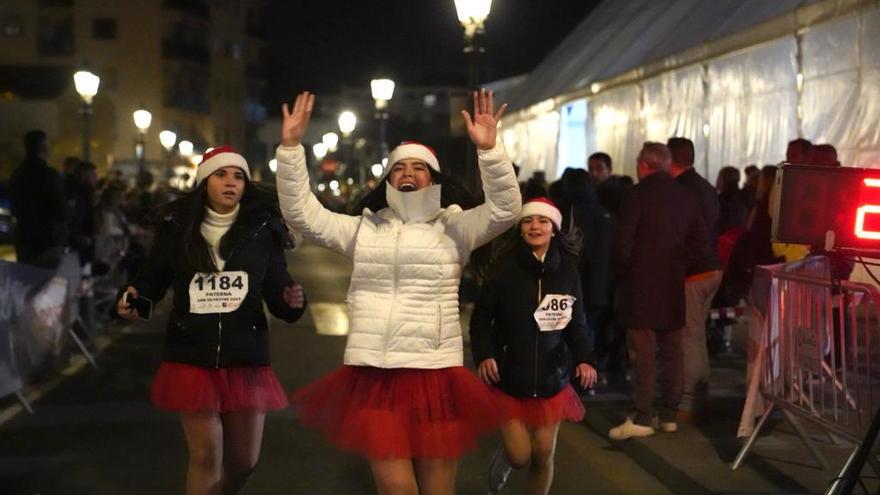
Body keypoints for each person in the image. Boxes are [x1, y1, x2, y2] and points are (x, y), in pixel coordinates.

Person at [275, 90, 521, 494]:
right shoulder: (363, 229)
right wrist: (289, 149)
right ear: (388, 179)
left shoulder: (456, 227)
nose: (408, 173)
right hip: (377, 375)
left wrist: (491, 151)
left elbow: (506, 210)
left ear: (433, 178)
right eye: (399, 167)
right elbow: (302, 213)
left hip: (436, 374)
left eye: (419, 168)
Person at [117, 145, 307, 495]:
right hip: (191, 355)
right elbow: (153, 279)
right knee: (206, 455)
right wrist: (135, 301)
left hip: (246, 355)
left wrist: (291, 300)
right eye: (221, 175)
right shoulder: (179, 228)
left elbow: (279, 287)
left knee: (244, 462)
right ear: (204, 181)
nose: (230, 183)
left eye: (238, 176)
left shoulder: (263, 230)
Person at [470, 197, 597, 494]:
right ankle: (504, 459)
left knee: (542, 453)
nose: (535, 226)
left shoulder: (568, 271)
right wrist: (485, 355)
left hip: (552, 380)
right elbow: (481, 319)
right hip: (508, 379)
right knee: (520, 456)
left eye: (542, 221)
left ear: (554, 229)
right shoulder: (503, 269)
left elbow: (577, 322)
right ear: (520, 229)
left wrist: (585, 358)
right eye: (528, 221)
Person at [608, 142, 707, 440]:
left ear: (642, 164)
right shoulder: (686, 196)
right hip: (672, 285)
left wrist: (629, 270)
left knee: (644, 353)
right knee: (673, 350)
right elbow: (701, 243)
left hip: (640, 287)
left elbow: (622, 242)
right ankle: (668, 414)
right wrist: (677, 264)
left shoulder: (636, 195)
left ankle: (642, 414)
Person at [667, 137, 722, 419]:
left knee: (689, 337)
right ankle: (699, 396)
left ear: (669, 159)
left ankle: (690, 403)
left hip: (695, 272)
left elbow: (686, 236)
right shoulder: (705, 186)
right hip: (712, 268)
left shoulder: (682, 190)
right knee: (697, 336)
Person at [8, 130, 68, 268]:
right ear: (43, 147)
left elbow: (14, 207)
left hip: (24, 240)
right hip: (47, 241)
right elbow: (61, 210)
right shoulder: (49, 175)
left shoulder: (17, 175)